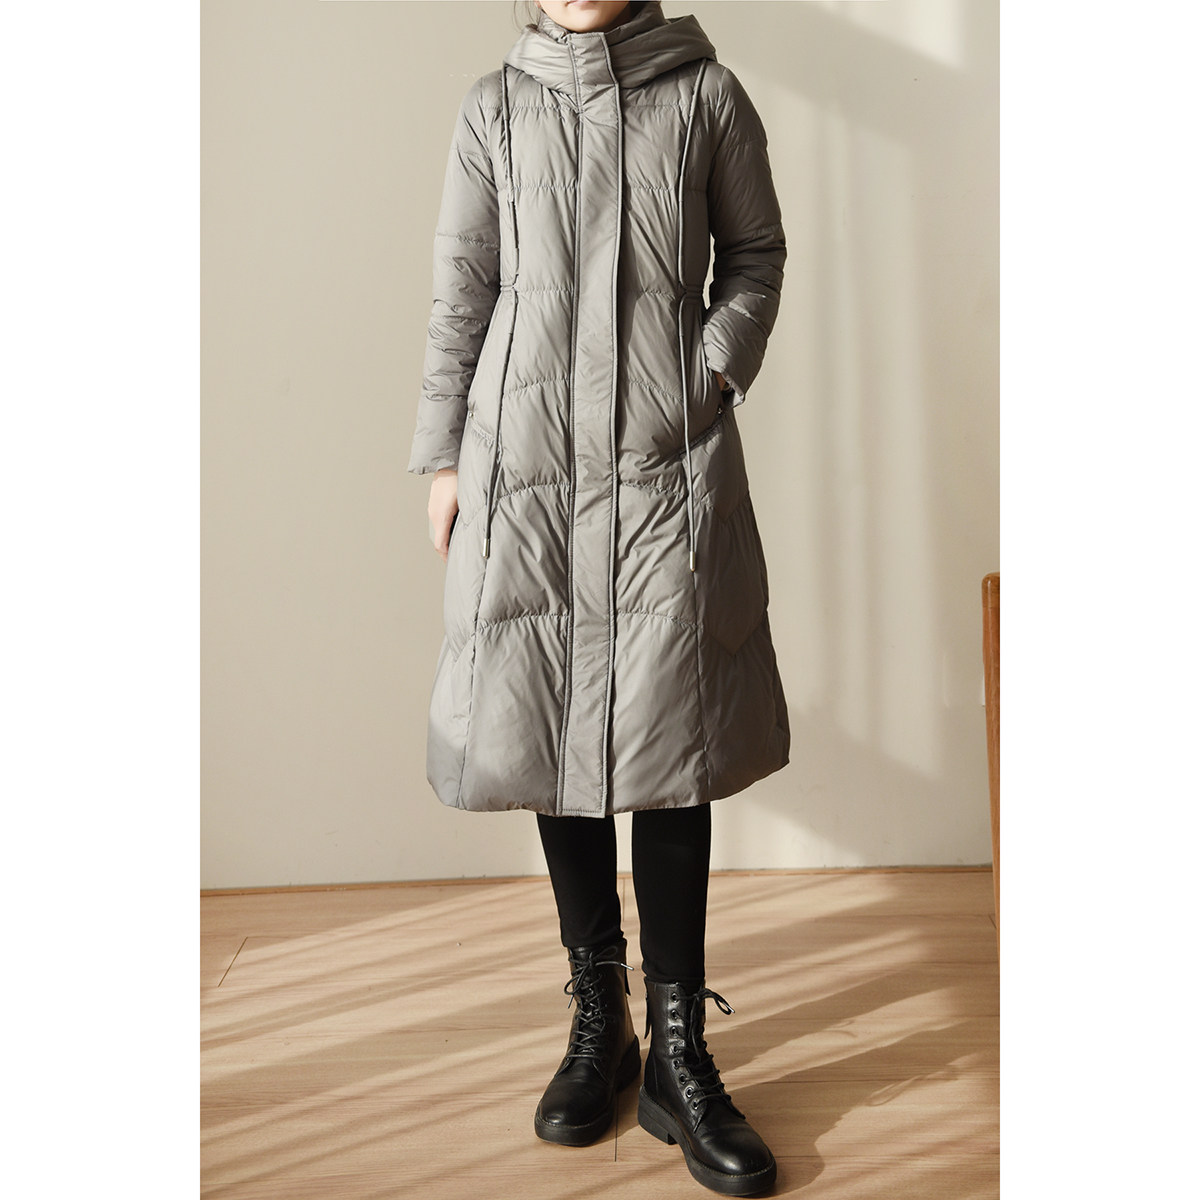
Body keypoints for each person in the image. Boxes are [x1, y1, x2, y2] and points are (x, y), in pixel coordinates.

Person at [407, 2, 789, 1194]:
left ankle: (679, 1053)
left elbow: (756, 255)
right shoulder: (494, 107)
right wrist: (443, 458)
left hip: (662, 465)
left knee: (672, 738)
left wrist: (709, 373)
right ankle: (599, 1019)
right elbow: (463, 290)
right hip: (523, 464)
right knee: (546, 723)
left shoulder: (707, 97)